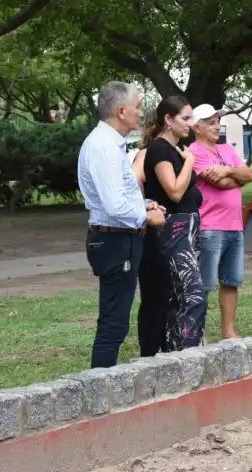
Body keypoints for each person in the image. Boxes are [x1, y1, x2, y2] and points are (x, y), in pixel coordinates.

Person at [77, 81, 166, 369]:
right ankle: (99, 393)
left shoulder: (110, 143)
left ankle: (103, 390)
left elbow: (115, 198)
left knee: (115, 322)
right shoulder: (103, 147)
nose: (142, 113)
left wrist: (144, 204)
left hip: (119, 238)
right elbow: (114, 206)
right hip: (115, 241)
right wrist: (146, 216)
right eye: (138, 106)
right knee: (113, 324)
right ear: (121, 110)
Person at [139, 95, 207, 354]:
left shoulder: (178, 150)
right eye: (185, 118)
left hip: (190, 228)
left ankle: (175, 350)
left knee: (181, 296)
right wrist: (190, 162)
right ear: (168, 120)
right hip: (174, 230)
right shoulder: (158, 149)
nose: (191, 123)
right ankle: (186, 354)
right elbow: (175, 192)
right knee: (193, 296)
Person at [188, 103, 252, 339]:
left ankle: (228, 331)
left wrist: (226, 171)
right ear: (197, 126)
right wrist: (234, 175)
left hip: (234, 226)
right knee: (204, 285)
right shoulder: (194, 152)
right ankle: (198, 334)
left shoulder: (227, 149)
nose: (217, 126)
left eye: (218, 121)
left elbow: (249, 175)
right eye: (211, 122)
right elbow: (221, 183)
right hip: (209, 227)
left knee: (231, 281)